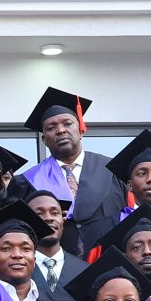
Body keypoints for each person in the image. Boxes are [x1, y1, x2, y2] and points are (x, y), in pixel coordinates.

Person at [25, 87, 121, 226]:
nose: (61, 130)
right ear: (44, 140)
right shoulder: (29, 180)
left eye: (67, 124)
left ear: (81, 130)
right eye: (51, 128)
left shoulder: (112, 170)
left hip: (107, 247)